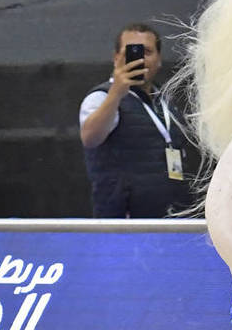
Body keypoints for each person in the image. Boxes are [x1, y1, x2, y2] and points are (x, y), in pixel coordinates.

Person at [79, 23, 193, 218]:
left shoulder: (164, 101)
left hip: (171, 214)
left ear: (158, 60)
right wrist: (116, 94)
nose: (139, 59)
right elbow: (90, 138)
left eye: (147, 52)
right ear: (116, 58)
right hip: (125, 219)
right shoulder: (102, 96)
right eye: (132, 52)